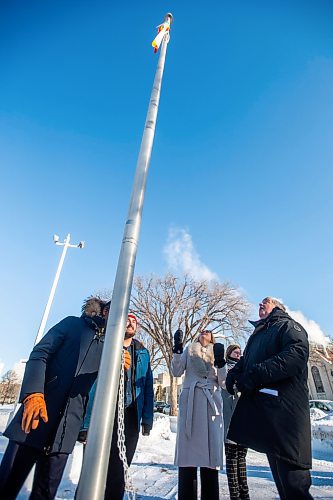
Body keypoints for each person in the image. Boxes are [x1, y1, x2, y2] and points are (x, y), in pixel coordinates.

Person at [0, 296, 116, 500]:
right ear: (105, 311)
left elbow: (101, 391)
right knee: (5, 485)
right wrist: (33, 393)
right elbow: (40, 353)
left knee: (45, 495)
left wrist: (118, 369)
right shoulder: (72, 323)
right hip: (34, 417)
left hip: (66, 431)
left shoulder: (113, 349)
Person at [226, 297, 313, 500]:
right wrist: (234, 375)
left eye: (266, 301)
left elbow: (297, 354)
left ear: (278, 307)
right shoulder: (258, 335)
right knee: (283, 486)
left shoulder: (287, 325)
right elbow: (246, 361)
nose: (260, 304)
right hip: (269, 419)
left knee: (295, 485)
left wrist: (255, 375)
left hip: (287, 418)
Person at [80, 313, 154, 500]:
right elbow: (93, 385)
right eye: (127, 320)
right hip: (104, 414)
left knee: (119, 471)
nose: (130, 323)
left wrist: (147, 418)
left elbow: (147, 387)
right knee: (93, 470)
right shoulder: (105, 346)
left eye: (134, 321)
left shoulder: (143, 353)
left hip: (130, 416)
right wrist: (86, 424)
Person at [171, 329, 227, 500]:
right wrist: (178, 350)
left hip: (211, 406)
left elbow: (224, 383)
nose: (205, 332)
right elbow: (176, 372)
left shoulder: (217, 350)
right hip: (192, 405)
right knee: (188, 458)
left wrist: (221, 362)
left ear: (212, 337)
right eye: (203, 331)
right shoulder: (189, 349)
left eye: (209, 331)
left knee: (210, 460)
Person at [222, 344, 250, 500]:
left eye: (240, 352)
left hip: (243, 417)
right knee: (231, 459)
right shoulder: (224, 368)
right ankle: (235, 494)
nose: (238, 354)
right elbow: (224, 386)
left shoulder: (246, 368)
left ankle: (245, 494)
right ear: (229, 353)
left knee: (242, 458)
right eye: (235, 352)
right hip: (229, 418)